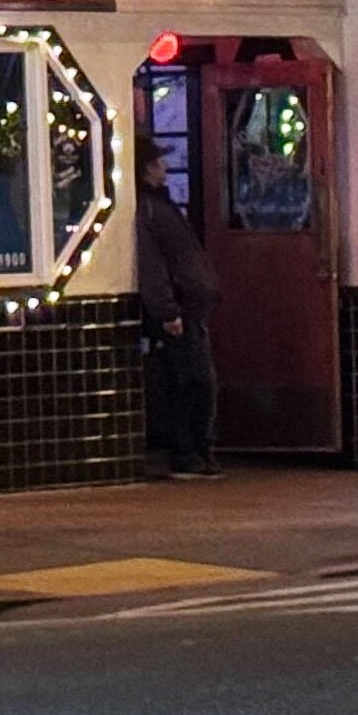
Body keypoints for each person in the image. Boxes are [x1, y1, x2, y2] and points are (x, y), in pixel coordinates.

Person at [136, 135, 222, 479]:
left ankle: (197, 450)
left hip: (189, 305)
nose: (165, 168)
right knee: (194, 381)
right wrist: (167, 311)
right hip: (181, 309)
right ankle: (189, 452)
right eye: (158, 163)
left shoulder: (159, 207)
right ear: (145, 170)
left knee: (196, 380)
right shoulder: (152, 209)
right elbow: (152, 264)